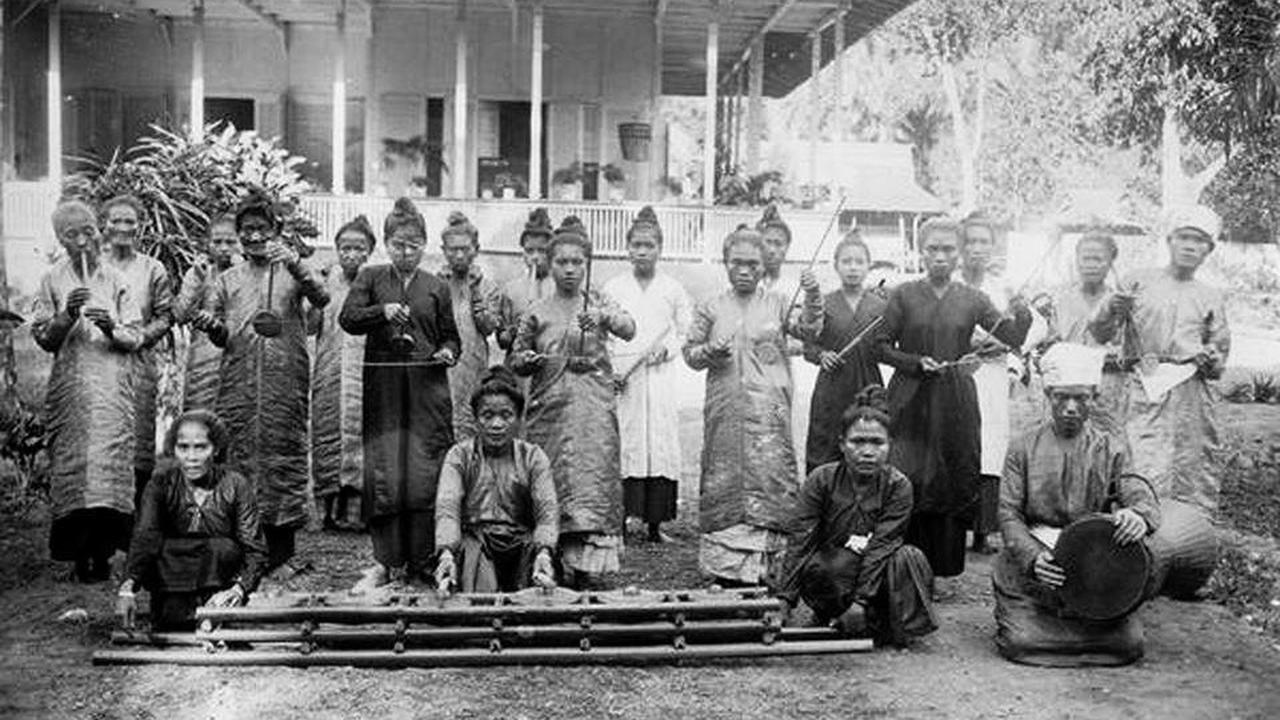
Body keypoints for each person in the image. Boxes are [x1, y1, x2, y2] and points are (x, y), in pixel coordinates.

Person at [876, 217, 1032, 585]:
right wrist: (914, 362)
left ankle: (941, 567)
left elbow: (1009, 335)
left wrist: (1021, 311)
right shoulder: (904, 294)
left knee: (950, 473)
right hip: (910, 397)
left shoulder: (973, 298)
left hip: (954, 397)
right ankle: (903, 564)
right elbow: (880, 345)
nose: (941, 256)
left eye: (948, 249)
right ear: (920, 251)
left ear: (959, 253)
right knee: (908, 472)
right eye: (933, 249)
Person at [994, 342, 1160, 667]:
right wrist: (1032, 557)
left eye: (1081, 398)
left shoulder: (1110, 447)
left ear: (1093, 398)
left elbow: (1137, 490)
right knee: (1021, 640)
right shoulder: (1022, 447)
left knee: (1131, 643)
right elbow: (1008, 513)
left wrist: (1138, 514)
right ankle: (1068, 635)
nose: (1070, 407)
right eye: (1061, 397)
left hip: (1094, 565)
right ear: (1049, 396)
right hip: (1039, 564)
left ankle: (1082, 630)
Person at [197, 192, 329, 572]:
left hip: (284, 378)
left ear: (276, 231)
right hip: (238, 381)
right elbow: (221, 335)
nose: (254, 237)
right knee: (238, 454)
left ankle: (282, 552)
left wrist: (298, 267)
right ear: (238, 235)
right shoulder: (227, 279)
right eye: (247, 230)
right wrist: (213, 327)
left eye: (262, 229)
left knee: (282, 454)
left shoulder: (293, 269)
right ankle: (242, 547)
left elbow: (321, 299)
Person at [683, 227, 822, 586]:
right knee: (724, 475)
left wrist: (812, 294)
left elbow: (809, 331)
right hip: (725, 406)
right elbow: (690, 354)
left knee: (771, 476)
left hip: (769, 410)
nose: (744, 270)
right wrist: (710, 352)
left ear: (765, 264)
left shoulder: (778, 302)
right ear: (725, 264)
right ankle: (725, 566)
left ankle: (769, 565)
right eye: (737, 263)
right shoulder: (711, 305)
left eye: (752, 264)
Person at [340, 197, 460, 587]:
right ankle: (386, 561)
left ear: (425, 245)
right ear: (386, 244)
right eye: (398, 245)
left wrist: (446, 352)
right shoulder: (370, 278)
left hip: (428, 393)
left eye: (413, 245)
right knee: (387, 470)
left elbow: (450, 338)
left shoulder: (436, 286)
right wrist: (382, 311)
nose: (406, 252)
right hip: (386, 394)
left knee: (425, 470)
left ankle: (424, 558)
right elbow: (349, 319)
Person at [511, 217, 636, 589]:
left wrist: (604, 317)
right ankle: (551, 560)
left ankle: (587, 568)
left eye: (577, 262)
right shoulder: (537, 310)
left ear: (586, 264)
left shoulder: (598, 301)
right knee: (552, 482)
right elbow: (516, 355)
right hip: (549, 411)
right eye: (562, 262)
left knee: (590, 482)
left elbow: (630, 329)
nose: (569, 269)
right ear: (549, 264)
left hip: (593, 411)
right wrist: (528, 360)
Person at [1089, 205, 1230, 519]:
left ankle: (1187, 538)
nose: (1190, 246)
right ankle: (1137, 532)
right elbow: (1099, 331)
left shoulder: (1210, 296)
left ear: (1209, 249)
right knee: (1140, 461)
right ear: (1170, 241)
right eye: (1184, 237)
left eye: (1199, 241)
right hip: (1144, 386)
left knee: (1191, 469)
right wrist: (1112, 307)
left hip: (1191, 396)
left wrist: (1210, 357)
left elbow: (1219, 360)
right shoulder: (1138, 280)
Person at [33, 199, 142, 582]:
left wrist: (112, 326)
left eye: (88, 231)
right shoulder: (51, 279)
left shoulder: (116, 279)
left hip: (112, 387)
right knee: (75, 467)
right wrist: (66, 315)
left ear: (99, 230)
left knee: (109, 466)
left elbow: (135, 336)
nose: (82, 241)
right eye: (71, 235)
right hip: (72, 389)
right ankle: (78, 556)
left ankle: (105, 554)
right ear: (59, 240)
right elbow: (45, 339)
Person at [777, 386, 938, 647]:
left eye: (877, 443)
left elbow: (884, 544)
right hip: (835, 573)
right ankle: (835, 615)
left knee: (909, 557)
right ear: (842, 444)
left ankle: (884, 622)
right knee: (826, 566)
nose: (867, 451)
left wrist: (861, 600)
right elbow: (801, 539)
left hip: (877, 571)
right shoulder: (821, 480)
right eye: (857, 442)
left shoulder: (898, 486)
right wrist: (785, 599)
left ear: (889, 446)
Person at [116, 410, 267, 631]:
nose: (191, 457)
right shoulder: (160, 484)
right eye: (183, 447)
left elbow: (255, 548)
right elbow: (146, 536)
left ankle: (217, 614)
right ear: (174, 449)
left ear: (215, 449)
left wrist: (239, 589)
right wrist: (127, 589)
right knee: (162, 549)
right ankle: (173, 615)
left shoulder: (235, 485)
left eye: (201, 447)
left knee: (222, 548)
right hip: (171, 584)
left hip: (219, 587)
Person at [603, 206, 692, 543]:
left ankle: (656, 524)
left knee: (660, 441)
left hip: (659, 377)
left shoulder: (673, 289)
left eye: (649, 245)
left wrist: (666, 350)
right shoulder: (614, 287)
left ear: (660, 248)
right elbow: (605, 335)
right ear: (627, 248)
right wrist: (614, 370)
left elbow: (685, 331)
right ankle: (623, 521)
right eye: (636, 244)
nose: (642, 251)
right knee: (628, 441)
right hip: (625, 378)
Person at [434, 366, 559, 593]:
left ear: (519, 418)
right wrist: (446, 553)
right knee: (478, 581)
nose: (496, 424)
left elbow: (547, 510)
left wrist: (544, 551)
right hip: (476, 542)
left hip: (522, 543)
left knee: (536, 590)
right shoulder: (459, 456)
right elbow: (447, 507)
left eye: (506, 415)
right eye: (488, 415)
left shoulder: (533, 456)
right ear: (475, 419)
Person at [100, 194, 174, 504]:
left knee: (138, 439)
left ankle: (138, 522)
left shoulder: (152, 268)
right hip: (99, 364)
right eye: (115, 220)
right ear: (104, 225)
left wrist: (141, 337)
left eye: (129, 221)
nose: (122, 227)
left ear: (140, 226)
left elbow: (165, 316)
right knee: (102, 439)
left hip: (139, 364)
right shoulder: (93, 267)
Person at [311, 215, 376, 531]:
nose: (351, 254)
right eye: (345, 248)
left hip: (365, 370)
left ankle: (357, 511)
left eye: (359, 248)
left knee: (362, 436)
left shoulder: (376, 282)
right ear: (336, 250)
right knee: (328, 432)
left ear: (369, 251)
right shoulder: (326, 282)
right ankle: (327, 509)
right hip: (330, 368)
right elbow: (312, 325)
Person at [1033, 231, 1132, 435]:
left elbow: (1128, 349)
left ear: (1111, 262)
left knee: (1105, 444)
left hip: (1106, 388)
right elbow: (1050, 345)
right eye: (1086, 258)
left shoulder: (1119, 302)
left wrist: (1105, 355)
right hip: (1067, 389)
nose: (1091, 264)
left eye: (1098, 259)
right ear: (1076, 260)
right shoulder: (1063, 300)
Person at [802, 231, 886, 474]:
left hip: (867, 384)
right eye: (846, 262)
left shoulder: (879, 306)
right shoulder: (824, 303)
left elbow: (886, 348)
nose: (853, 268)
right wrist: (822, 355)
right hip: (832, 386)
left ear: (869, 266)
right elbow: (809, 347)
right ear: (836, 266)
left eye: (859, 262)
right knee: (826, 446)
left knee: (867, 443)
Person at [958, 212, 1017, 555]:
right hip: (959, 371)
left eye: (984, 242)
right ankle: (955, 527)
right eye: (971, 242)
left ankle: (983, 530)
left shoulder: (1003, 287)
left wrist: (1005, 344)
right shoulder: (948, 285)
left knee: (990, 445)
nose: (977, 249)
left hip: (992, 375)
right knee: (957, 442)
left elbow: (1030, 329)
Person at [439, 211, 503, 442]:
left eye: (465, 249)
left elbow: (488, 327)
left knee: (470, 428)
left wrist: (475, 291)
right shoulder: (434, 284)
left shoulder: (488, 287)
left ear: (476, 249)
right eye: (452, 249)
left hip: (473, 368)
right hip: (441, 369)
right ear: (443, 250)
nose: (458, 255)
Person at [175, 214, 238, 413]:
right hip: (202, 363)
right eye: (217, 242)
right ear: (208, 244)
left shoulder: (249, 274)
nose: (224, 248)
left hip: (237, 360)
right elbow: (181, 315)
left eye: (230, 242)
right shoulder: (198, 273)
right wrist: (197, 282)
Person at [497, 207, 556, 357]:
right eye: (529, 251)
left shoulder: (561, 288)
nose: (535, 257)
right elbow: (502, 342)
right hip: (518, 369)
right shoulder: (511, 290)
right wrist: (512, 332)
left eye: (542, 250)